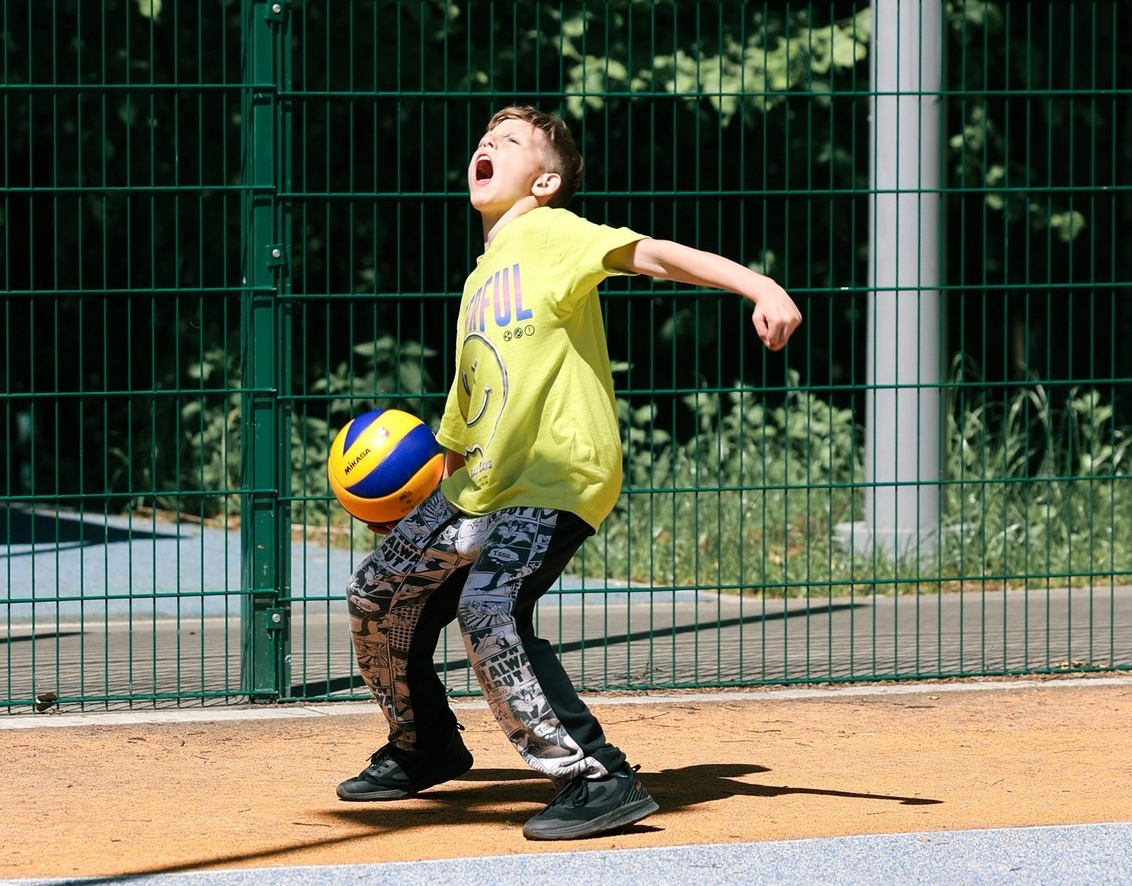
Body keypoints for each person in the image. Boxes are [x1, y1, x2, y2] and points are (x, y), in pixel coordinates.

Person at [339, 105, 802, 841]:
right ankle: (424, 743)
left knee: (490, 612)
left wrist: (760, 287)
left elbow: (654, 255)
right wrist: (430, 523)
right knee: (374, 595)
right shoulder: (479, 281)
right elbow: (464, 415)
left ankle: (600, 778)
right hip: (477, 487)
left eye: (511, 141)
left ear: (546, 180)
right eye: (484, 138)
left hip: (555, 478)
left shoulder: (554, 234)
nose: (487, 144)